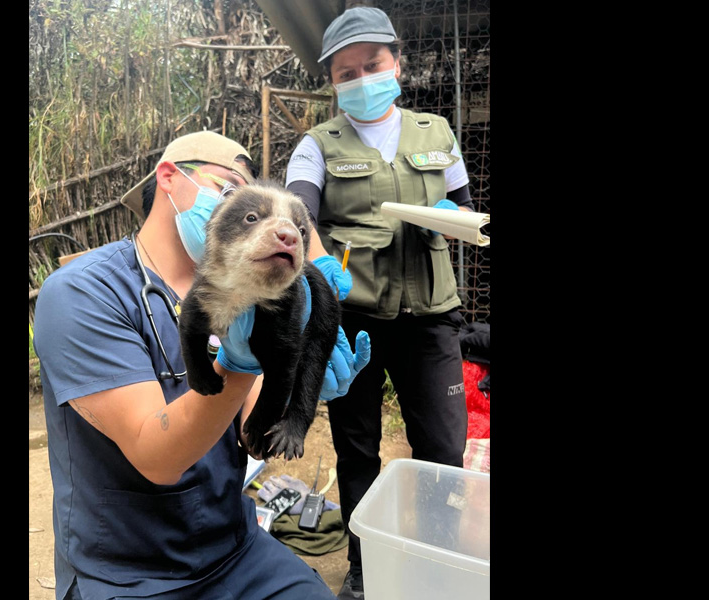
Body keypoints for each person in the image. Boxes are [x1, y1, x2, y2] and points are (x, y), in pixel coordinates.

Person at [33, 130, 371, 600]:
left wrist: (295, 393)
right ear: (170, 178)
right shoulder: (82, 293)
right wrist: (239, 366)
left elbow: (254, 444)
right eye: (230, 191)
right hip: (128, 573)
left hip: (234, 548)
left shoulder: (254, 292)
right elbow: (158, 457)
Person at [284, 7, 472, 599]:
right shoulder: (318, 144)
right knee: (357, 446)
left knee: (442, 448)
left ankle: (437, 557)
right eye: (347, 71)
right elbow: (296, 214)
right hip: (354, 318)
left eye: (373, 64)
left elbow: (469, 210)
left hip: (432, 318)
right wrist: (315, 265)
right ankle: (366, 568)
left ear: (397, 63)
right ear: (333, 81)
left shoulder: (436, 133)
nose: (362, 78)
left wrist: (456, 218)